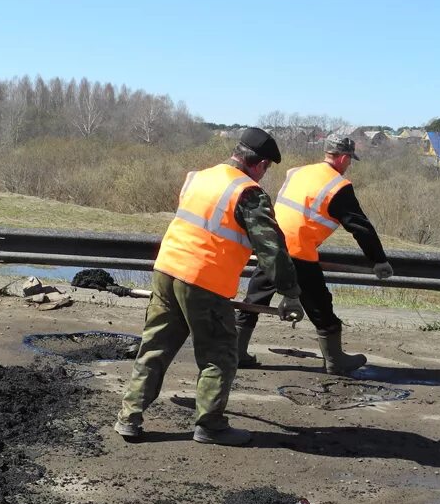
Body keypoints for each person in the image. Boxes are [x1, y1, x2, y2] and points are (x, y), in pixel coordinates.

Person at [115, 127, 304, 446]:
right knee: (219, 354)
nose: (263, 175)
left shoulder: (198, 177)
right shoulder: (248, 192)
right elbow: (271, 248)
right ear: (259, 164)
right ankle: (210, 425)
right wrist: (289, 293)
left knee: (155, 347)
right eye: (266, 168)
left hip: (167, 270)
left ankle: (129, 417)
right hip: (204, 281)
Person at [237, 132, 392, 374]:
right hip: (299, 252)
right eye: (350, 159)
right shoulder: (338, 186)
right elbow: (360, 226)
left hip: (272, 245)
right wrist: (379, 259)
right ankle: (335, 359)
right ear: (342, 158)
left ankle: (235, 353)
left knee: (255, 299)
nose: (349, 165)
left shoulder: (298, 171)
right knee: (320, 304)